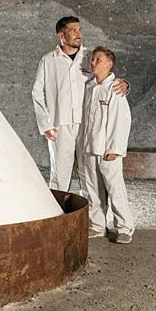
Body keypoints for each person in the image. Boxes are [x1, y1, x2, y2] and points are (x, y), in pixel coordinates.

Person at [31, 16, 128, 191]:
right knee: (60, 172)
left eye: (79, 30)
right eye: (73, 31)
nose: (78, 34)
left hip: (87, 123)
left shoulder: (90, 57)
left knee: (89, 172)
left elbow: (105, 80)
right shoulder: (48, 60)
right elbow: (37, 93)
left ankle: (91, 208)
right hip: (60, 123)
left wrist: (125, 84)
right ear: (61, 35)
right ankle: (58, 207)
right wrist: (45, 124)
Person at [79, 47, 134, 243]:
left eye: (98, 60)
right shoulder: (89, 87)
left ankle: (125, 228)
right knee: (92, 189)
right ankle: (97, 225)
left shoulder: (115, 89)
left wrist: (115, 149)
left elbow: (121, 120)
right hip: (89, 147)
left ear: (109, 64)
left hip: (107, 150)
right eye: (93, 59)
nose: (93, 63)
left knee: (115, 188)